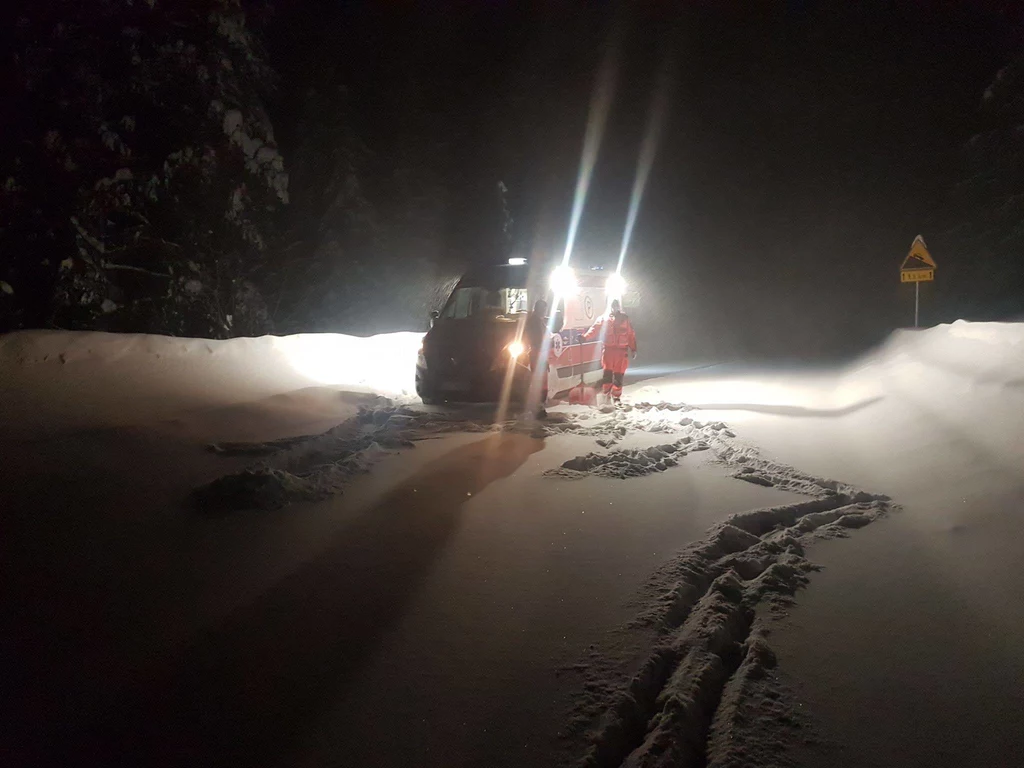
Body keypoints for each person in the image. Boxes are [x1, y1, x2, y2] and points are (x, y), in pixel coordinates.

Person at [582, 298, 637, 405]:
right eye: (612, 306)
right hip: (608, 351)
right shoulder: (603, 319)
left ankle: (616, 397)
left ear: (619, 307)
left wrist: (634, 349)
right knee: (607, 375)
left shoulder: (625, 319)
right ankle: (606, 395)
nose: (614, 308)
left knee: (618, 376)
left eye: (616, 306)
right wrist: (584, 337)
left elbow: (631, 335)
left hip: (621, 353)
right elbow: (594, 329)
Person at [524, 299, 549, 417]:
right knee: (540, 382)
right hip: (537, 355)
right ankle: (538, 408)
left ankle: (540, 407)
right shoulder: (534, 322)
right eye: (543, 309)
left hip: (540, 355)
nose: (545, 311)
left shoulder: (538, 321)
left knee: (542, 382)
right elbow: (536, 339)